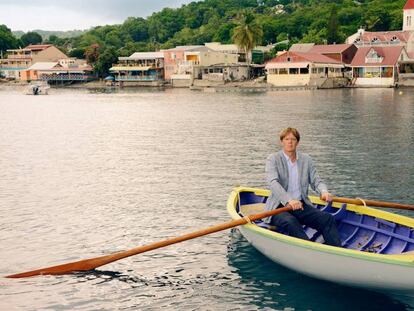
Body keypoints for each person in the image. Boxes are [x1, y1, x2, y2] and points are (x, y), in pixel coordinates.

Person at [264, 127, 342, 247]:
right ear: (282, 142)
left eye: (293, 139)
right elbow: (273, 183)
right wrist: (289, 200)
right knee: (291, 222)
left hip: (300, 205)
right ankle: (309, 251)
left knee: (327, 219)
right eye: (286, 139)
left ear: (297, 142)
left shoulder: (306, 159)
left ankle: (337, 252)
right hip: (278, 207)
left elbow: (316, 180)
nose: (290, 142)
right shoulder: (273, 159)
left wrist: (324, 191)